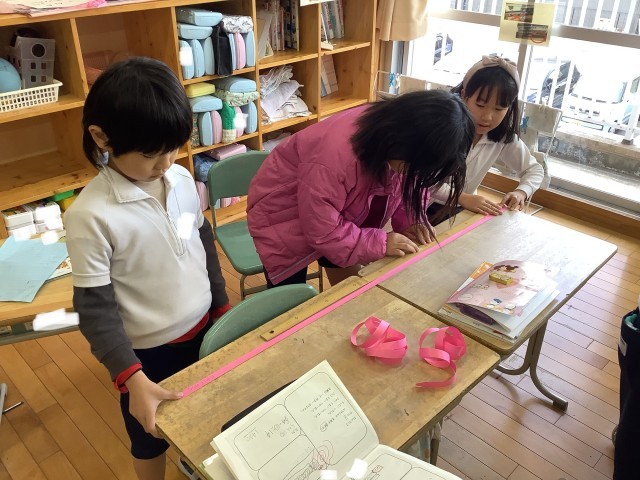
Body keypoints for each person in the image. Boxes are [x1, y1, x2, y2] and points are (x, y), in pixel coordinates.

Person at [64, 57, 230, 480]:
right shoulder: (91, 215)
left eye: (173, 147)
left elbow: (201, 244)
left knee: (208, 413)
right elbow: (95, 309)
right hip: (148, 355)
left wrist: (221, 305)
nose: (166, 162)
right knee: (149, 437)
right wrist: (130, 377)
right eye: (150, 153)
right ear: (101, 137)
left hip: (206, 329)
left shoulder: (181, 179)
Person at [247, 89, 475, 287]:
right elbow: (323, 232)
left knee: (340, 259)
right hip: (281, 217)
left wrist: (411, 220)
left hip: (331, 212)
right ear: (400, 144)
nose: (415, 175)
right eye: (415, 168)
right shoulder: (334, 158)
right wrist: (380, 243)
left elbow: (408, 183)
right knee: (288, 302)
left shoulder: (399, 134)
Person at [428, 55, 544, 223]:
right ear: (464, 96)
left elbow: (534, 170)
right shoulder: (444, 128)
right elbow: (423, 180)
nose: (487, 117)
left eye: (499, 109)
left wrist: (521, 192)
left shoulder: (502, 137)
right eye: (480, 105)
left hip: (459, 209)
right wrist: (463, 197)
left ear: (509, 107)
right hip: (421, 208)